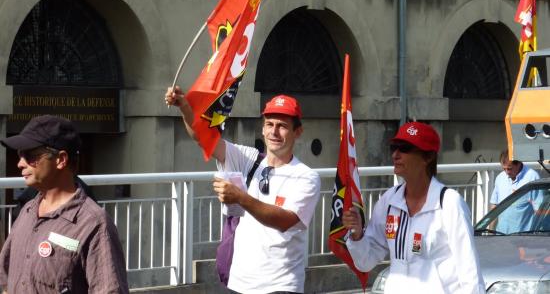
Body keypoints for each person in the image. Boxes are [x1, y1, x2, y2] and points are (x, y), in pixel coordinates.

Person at [166, 87, 320, 294]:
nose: (274, 132)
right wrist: (184, 107)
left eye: (282, 126)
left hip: (281, 286)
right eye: (269, 124)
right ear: (262, 129)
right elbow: (204, 138)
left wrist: (241, 198)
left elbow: (285, 220)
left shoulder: (306, 176)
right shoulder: (249, 159)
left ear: (297, 132)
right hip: (239, 283)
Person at [342, 121, 485, 293]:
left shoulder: (449, 203)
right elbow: (365, 262)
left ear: (428, 157)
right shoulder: (389, 201)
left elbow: (469, 270)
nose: (395, 155)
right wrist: (357, 235)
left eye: (405, 148)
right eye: (394, 147)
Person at [0, 115, 129, 293]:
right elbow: (6, 279)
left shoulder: (94, 224)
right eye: (20, 155)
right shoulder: (26, 212)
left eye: (30, 155)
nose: (20, 163)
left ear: (61, 159)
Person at [489, 149, 540, 233]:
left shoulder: (532, 177)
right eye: (504, 169)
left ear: (519, 163)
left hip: (523, 237)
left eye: (509, 169)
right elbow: (494, 206)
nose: (506, 172)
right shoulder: (500, 178)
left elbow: (539, 209)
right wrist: (490, 231)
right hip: (501, 235)